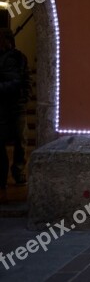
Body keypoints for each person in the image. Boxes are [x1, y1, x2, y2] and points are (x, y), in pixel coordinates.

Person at [0, 29, 27, 200]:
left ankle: (18, 172)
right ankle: (2, 176)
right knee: (1, 141)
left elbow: (20, 81)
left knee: (20, 140)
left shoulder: (19, 58)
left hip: (16, 106)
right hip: (3, 107)